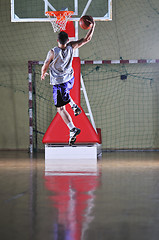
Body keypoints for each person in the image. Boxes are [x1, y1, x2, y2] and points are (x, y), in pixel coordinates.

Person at [41, 20, 95, 145]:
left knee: (60, 108)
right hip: (70, 79)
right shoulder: (72, 46)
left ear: (57, 41)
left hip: (59, 82)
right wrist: (93, 27)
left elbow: (45, 64)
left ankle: (72, 125)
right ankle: (72, 109)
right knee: (64, 97)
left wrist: (43, 73)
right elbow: (87, 39)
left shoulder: (53, 52)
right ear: (68, 40)